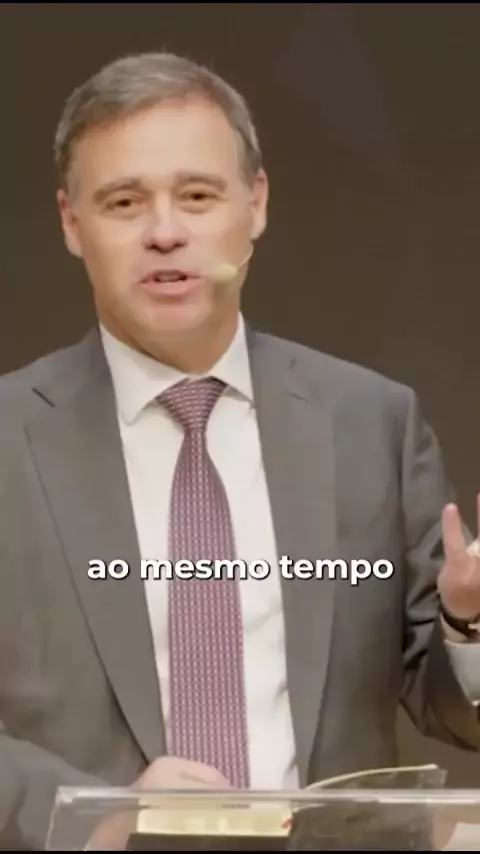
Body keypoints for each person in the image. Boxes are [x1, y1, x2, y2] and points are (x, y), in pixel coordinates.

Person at [2, 50, 480, 851]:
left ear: (254, 204)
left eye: (197, 196)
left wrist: (469, 627)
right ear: (71, 223)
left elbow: (452, 709)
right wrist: (93, 809)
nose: (165, 233)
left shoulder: (371, 422)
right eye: (124, 201)